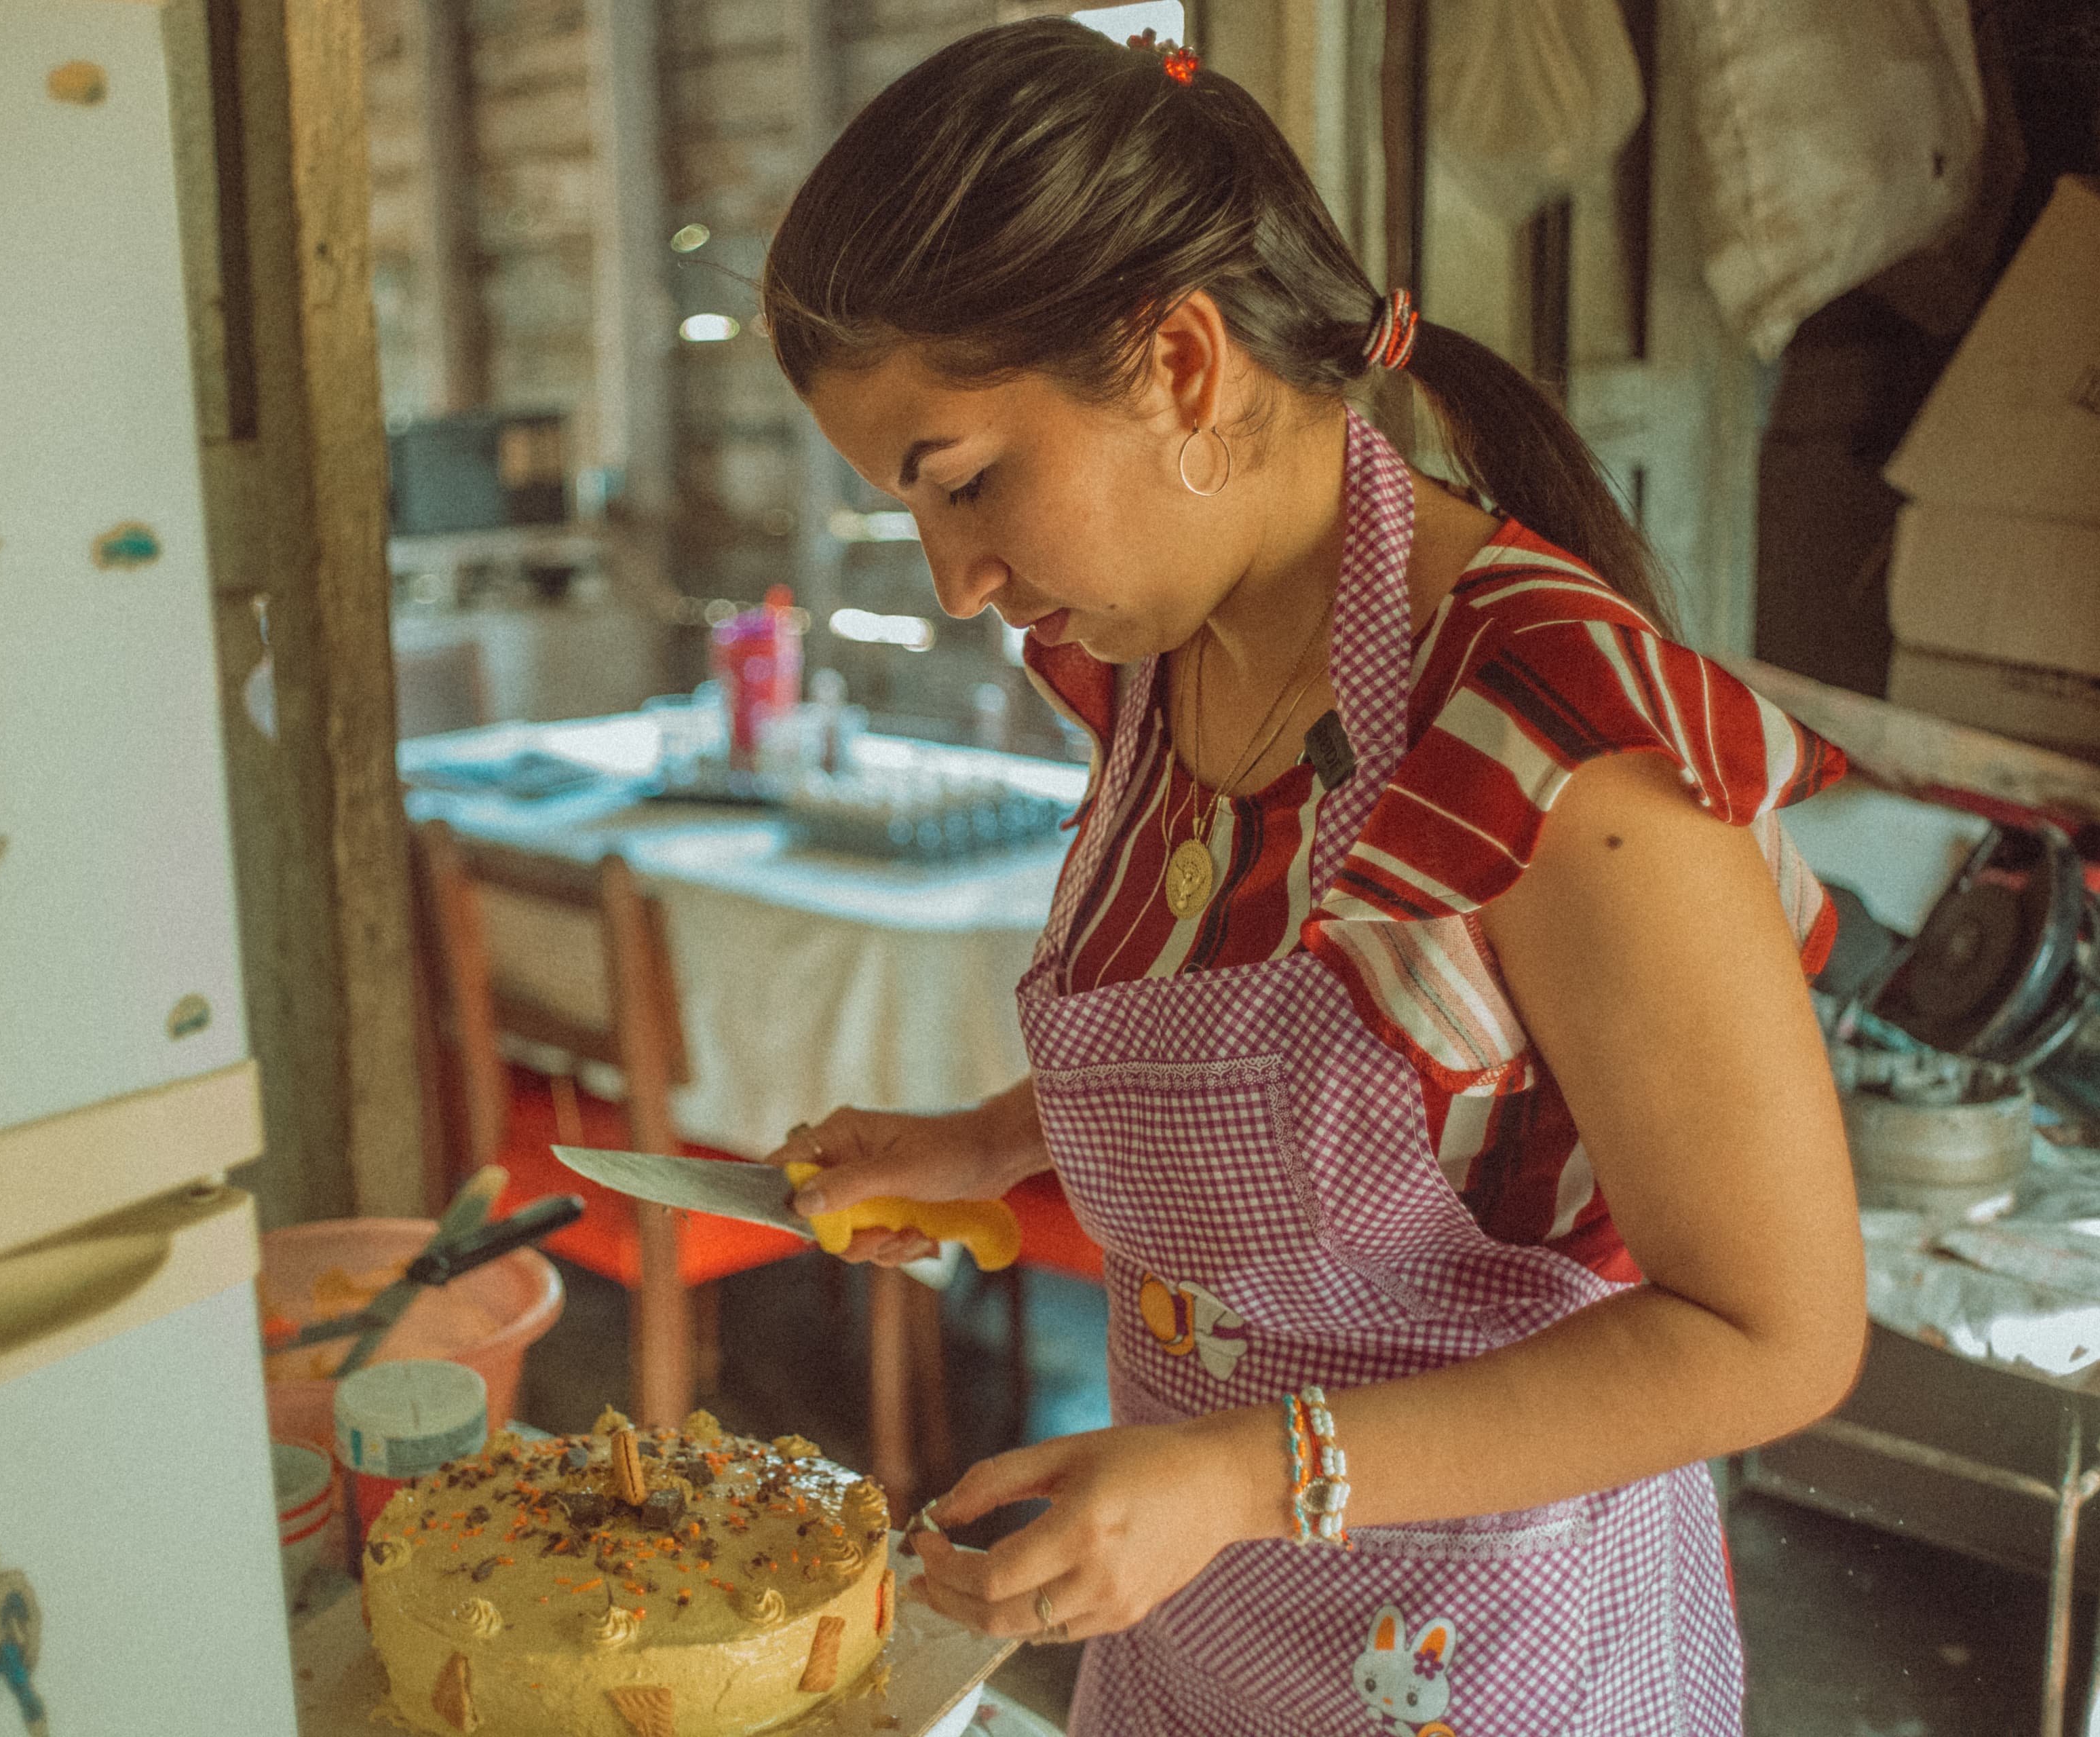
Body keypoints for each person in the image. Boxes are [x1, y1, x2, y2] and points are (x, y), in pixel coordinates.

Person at [757, 20, 1863, 1734]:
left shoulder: (1555, 745)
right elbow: (1329, 1050)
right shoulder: (1157, 656)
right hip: (1202, 1626)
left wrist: (1235, 1478)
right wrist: (991, 1137)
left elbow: (1775, 1335)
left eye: (966, 481)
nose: (958, 579)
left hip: (1486, 1656)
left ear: (1184, 365)